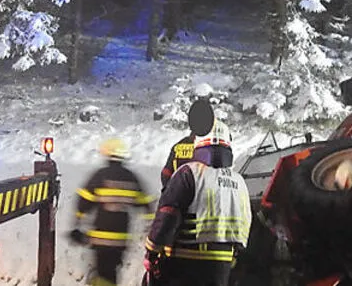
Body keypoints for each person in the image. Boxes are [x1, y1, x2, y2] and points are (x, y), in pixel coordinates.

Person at [145, 118, 252, 286]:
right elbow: (246, 223)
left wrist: (152, 251)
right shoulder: (240, 182)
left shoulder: (189, 173)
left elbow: (168, 213)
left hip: (185, 263)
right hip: (222, 266)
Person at [72, 138, 154, 286]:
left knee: (102, 274)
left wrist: (77, 224)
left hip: (100, 238)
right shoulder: (131, 178)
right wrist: (150, 228)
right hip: (121, 240)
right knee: (111, 273)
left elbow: (84, 201)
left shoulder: (100, 175)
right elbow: (146, 204)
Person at [161, 97, 215, 188]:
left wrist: (169, 191)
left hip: (180, 194)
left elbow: (166, 174)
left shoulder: (178, 146)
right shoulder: (214, 148)